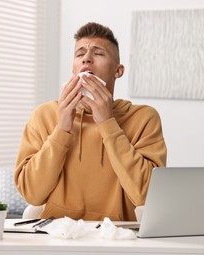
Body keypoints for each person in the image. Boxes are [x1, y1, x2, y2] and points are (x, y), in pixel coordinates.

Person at [14, 22, 167, 221]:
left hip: (120, 236)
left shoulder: (143, 118)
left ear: (118, 71)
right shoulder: (44, 115)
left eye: (99, 53)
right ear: (74, 69)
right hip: (55, 234)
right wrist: (61, 129)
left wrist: (107, 123)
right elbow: (32, 193)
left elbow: (148, 195)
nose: (87, 58)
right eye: (80, 54)